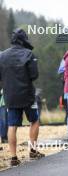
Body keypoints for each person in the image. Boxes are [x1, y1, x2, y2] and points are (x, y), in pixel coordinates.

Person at [0, 28, 44, 166]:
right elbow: (34, 75)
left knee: (12, 126)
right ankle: (33, 150)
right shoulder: (29, 54)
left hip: (10, 95)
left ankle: (13, 157)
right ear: (24, 39)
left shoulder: (2, 55)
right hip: (27, 95)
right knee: (34, 120)